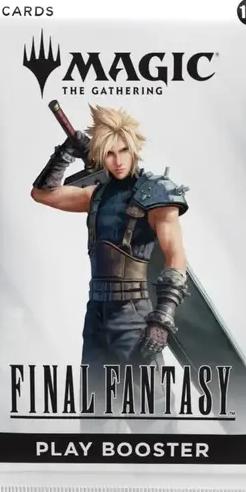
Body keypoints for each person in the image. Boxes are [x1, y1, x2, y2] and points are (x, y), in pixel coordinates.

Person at [31, 104, 189, 431]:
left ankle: (162, 464)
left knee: (151, 411)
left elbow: (175, 255)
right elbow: (43, 193)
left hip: (133, 312)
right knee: (94, 409)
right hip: (97, 313)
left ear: (134, 148)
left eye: (123, 151)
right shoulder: (97, 195)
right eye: (109, 154)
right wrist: (65, 152)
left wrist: (163, 317)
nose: (117, 161)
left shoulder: (156, 191)